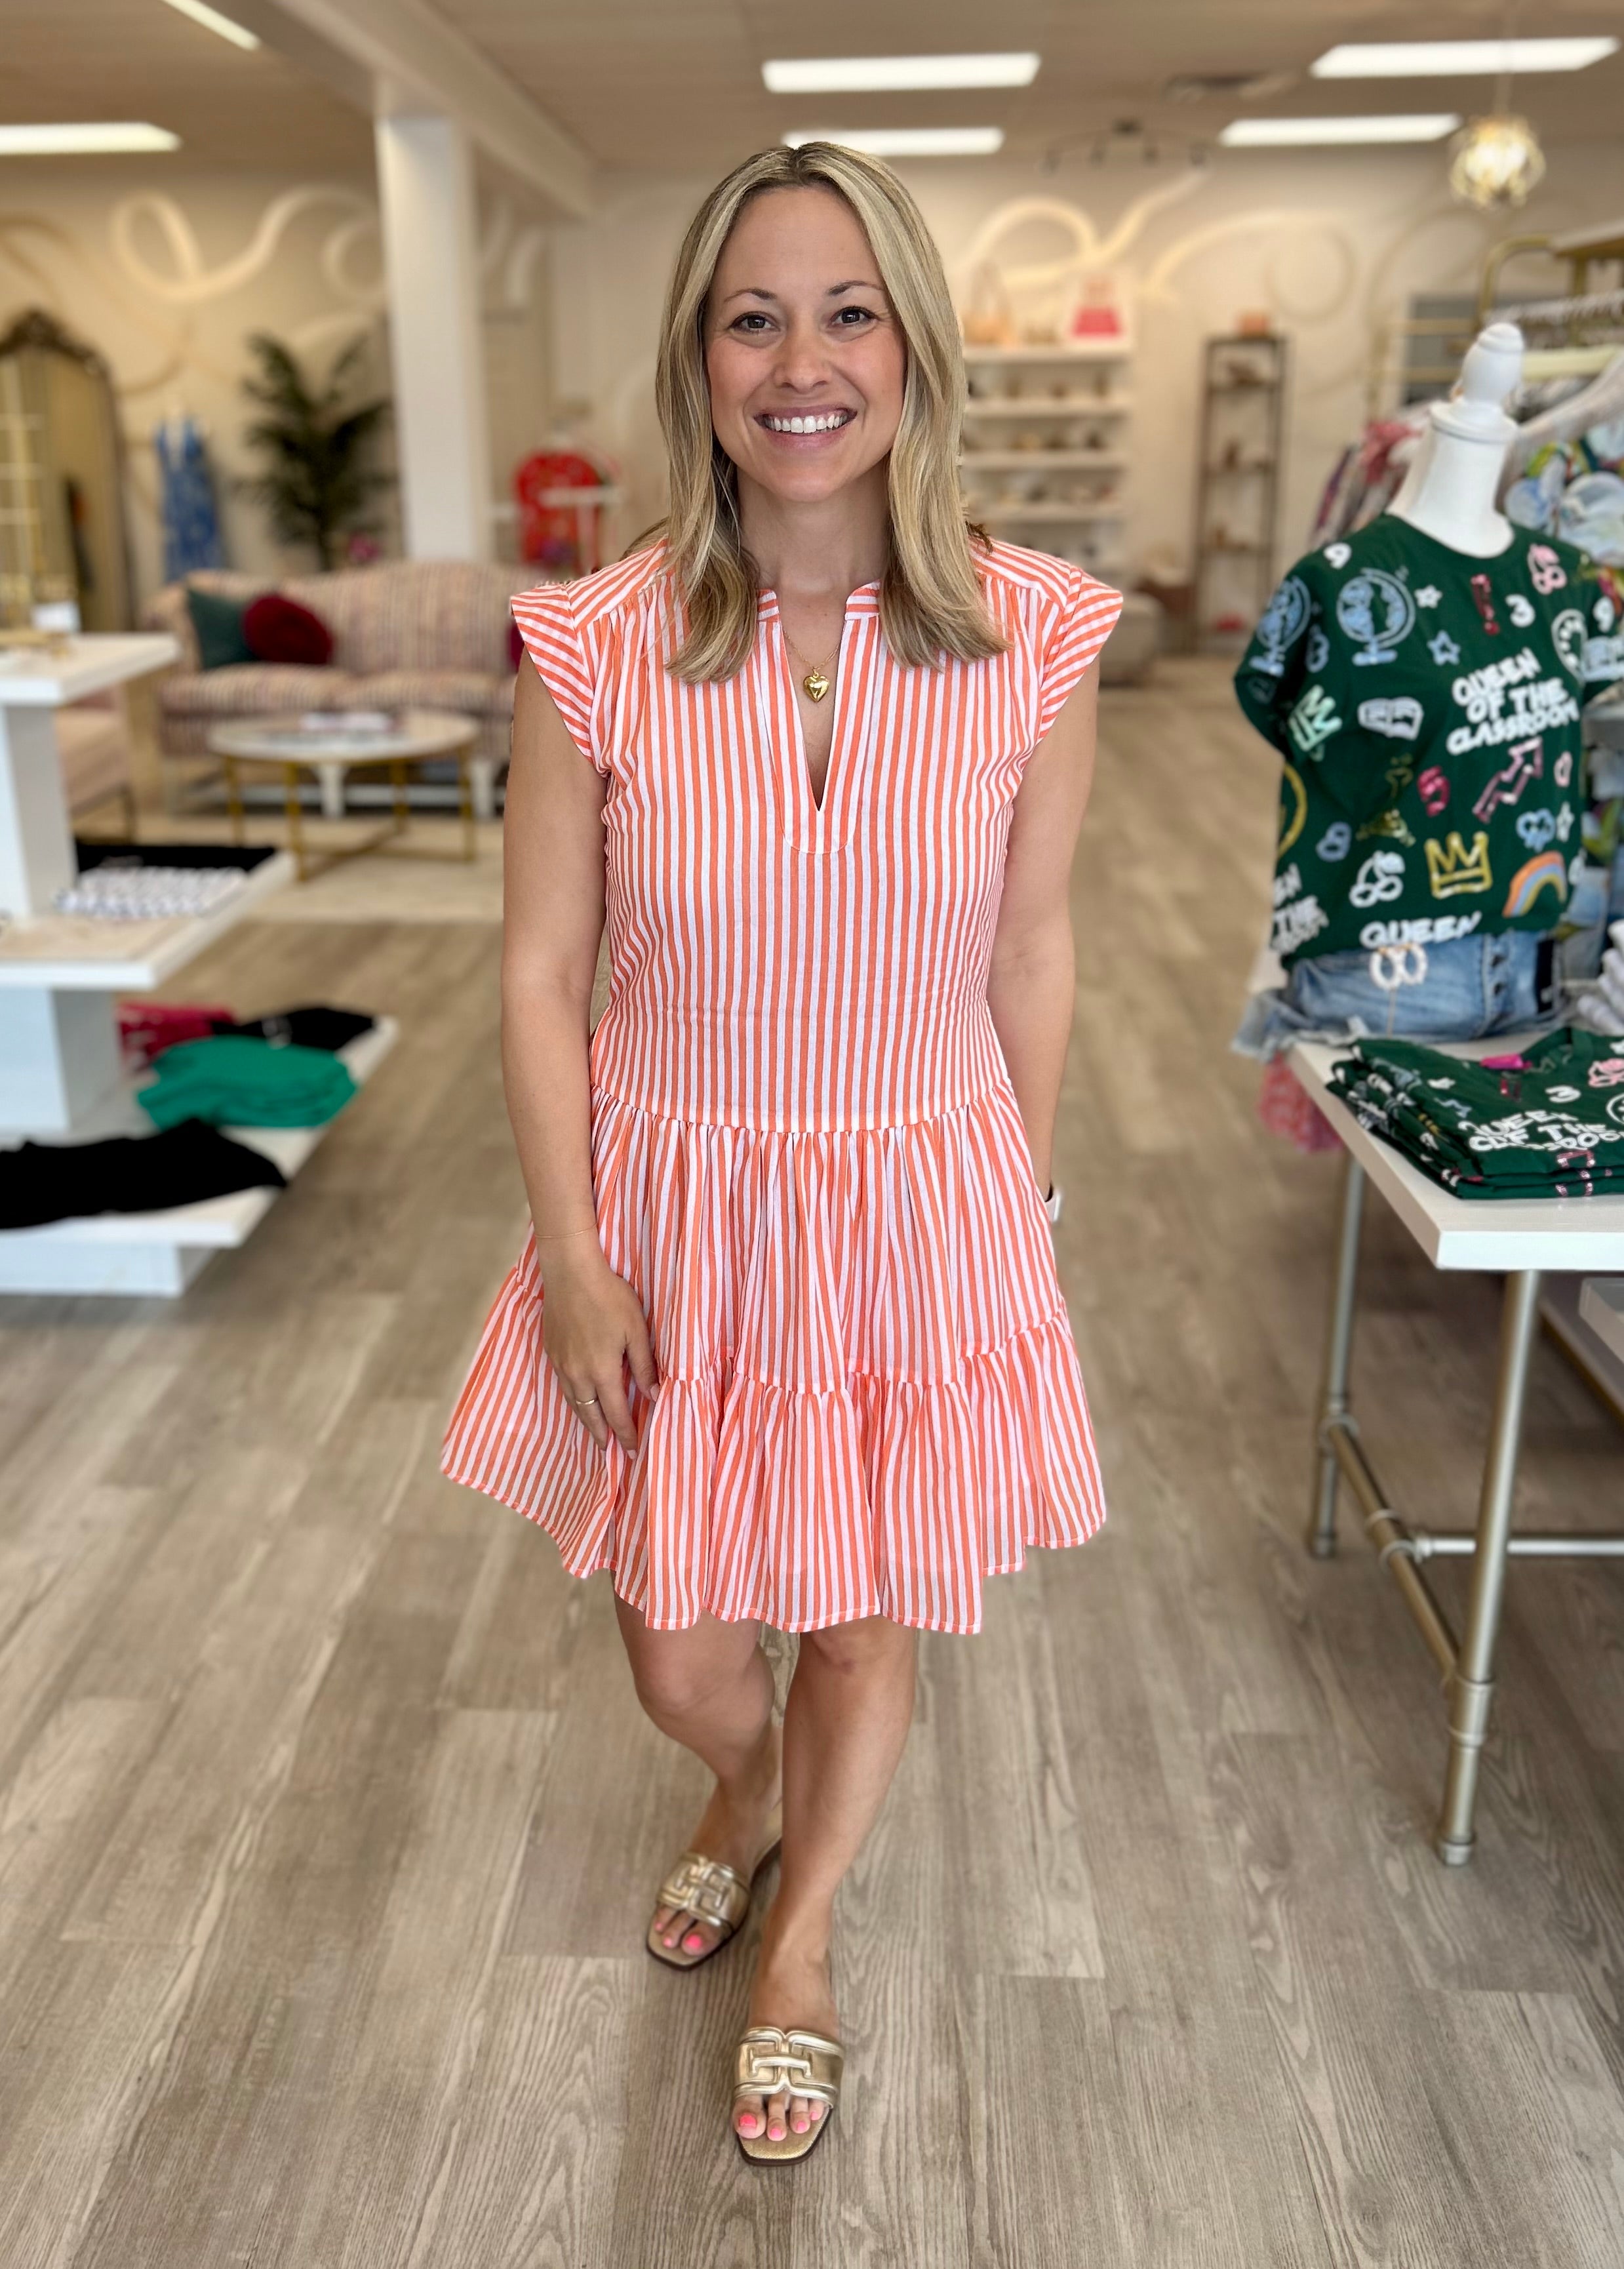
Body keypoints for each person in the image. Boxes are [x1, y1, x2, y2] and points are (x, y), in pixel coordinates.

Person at [442, 140, 1121, 2164]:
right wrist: (574, 1253)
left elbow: (1033, 948)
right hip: (672, 1220)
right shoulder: (596, 641)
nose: (801, 362)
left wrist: (1018, 1210)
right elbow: (540, 969)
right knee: (681, 1650)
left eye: (847, 313)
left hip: (914, 1206)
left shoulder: (1035, 630)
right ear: (700, 359)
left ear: (913, 348)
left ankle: (802, 1938)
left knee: (858, 1612)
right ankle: (739, 1786)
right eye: (754, 317)